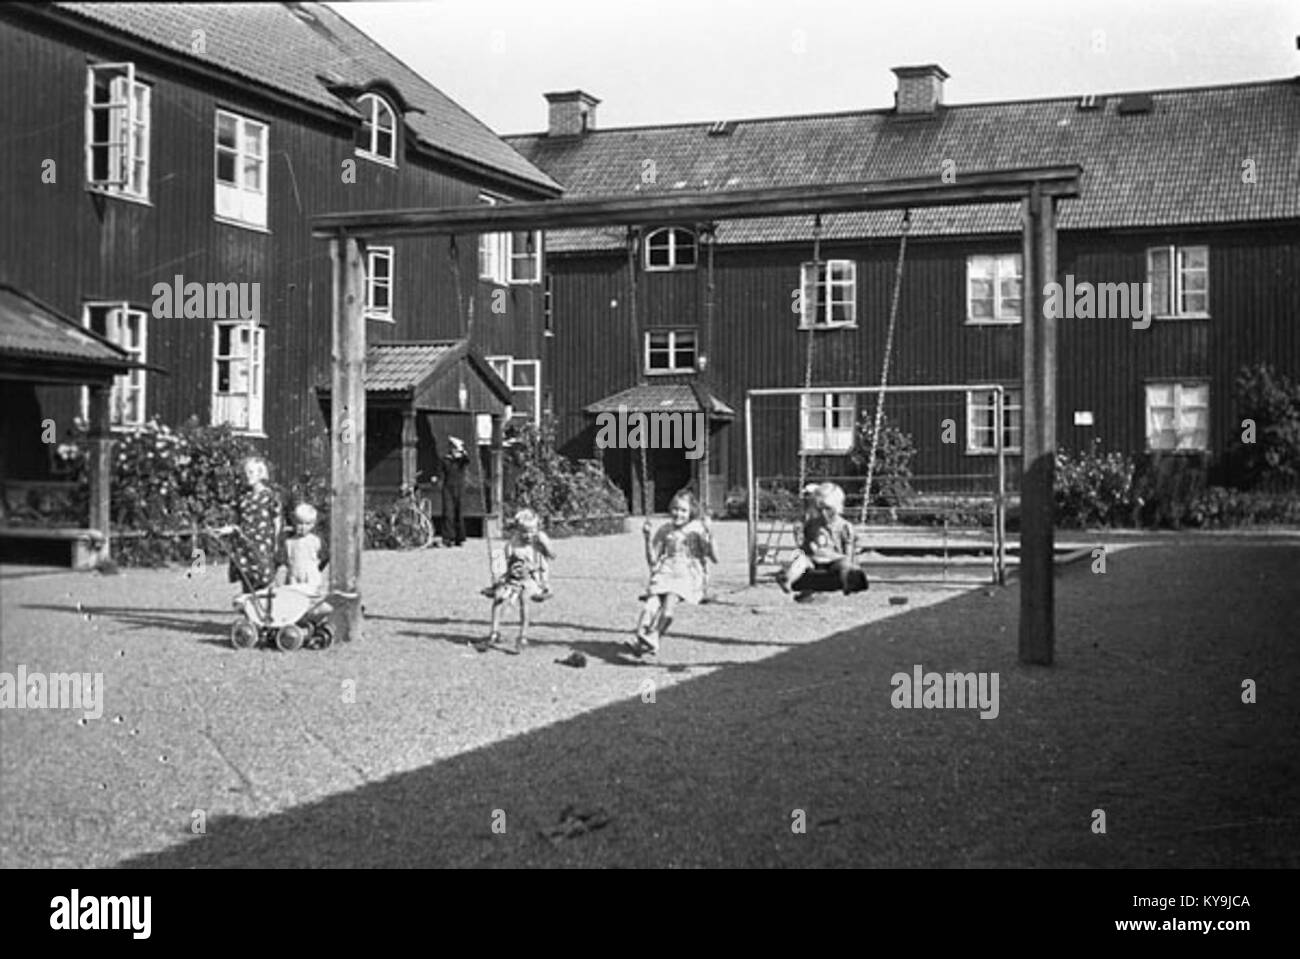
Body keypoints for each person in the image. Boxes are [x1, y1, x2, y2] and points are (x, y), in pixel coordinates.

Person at [629, 490, 717, 657]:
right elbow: (653, 561)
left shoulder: (698, 528)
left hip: (688, 574)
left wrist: (709, 534)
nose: (678, 514)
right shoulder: (665, 529)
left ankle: (655, 637)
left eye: (683, 510)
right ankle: (640, 640)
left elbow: (714, 557)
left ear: (691, 511)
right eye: (675, 509)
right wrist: (647, 539)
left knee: (668, 608)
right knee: (650, 606)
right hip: (666, 571)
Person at [478, 509, 556, 655]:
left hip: (533, 580)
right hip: (512, 579)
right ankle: (494, 632)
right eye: (524, 532)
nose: (528, 535)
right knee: (499, 597)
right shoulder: (513, 544)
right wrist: (498, 576)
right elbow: (501, 561)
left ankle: (523, 636)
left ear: (537, 528)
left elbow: (552, 555)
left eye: (532, 531)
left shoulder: (538, 542)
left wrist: (545, 544)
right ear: (518, 530)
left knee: (524, 598)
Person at [778, 481, 867, 599]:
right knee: (801, 559)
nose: (824, 513)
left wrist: (850, 565)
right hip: (814, 561)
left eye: (828, 509)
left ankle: (847, 582)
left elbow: (848, 553)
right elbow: (805, 547)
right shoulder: (812, 524)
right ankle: (788, 579)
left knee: (845, 562)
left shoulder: (844, 527)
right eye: (820, 509)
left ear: (838, 508)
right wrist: (808, 547)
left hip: (835, 562)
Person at [215, 456, 280, 592]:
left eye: (251, 472)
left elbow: (277, 520)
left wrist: (277, 542)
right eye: (245, 473)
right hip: (243, 545)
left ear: (260, 473)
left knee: (264, 578)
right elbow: (239, 521)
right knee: (247, 579)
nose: (247, 476)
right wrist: (227, 530)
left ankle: (266, 611)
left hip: (261, 545)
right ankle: (250, 610)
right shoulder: (243, 498)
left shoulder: (270, 496)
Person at [276, 502, 327, 592]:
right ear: (294, 522)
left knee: (310, 595)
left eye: (307, 524)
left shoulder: (315, 540)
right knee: (295, 595)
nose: (303, 527)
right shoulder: (289, 542)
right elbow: (286, 560)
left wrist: (316, 567)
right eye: (300, 523)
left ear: (313, 524)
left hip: (310, 575)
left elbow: (324, 557)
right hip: (294, 575)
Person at [438, 435, 470, 546]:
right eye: (453, 448)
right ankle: (447, 538)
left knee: (459, 513)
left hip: (459, 487)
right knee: (448, 513)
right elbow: (441, 472)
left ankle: (459, 538)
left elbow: (467, 459)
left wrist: (461, 451)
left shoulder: (461, 460)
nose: (454, 450)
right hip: (448, 488)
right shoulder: (445, 459)